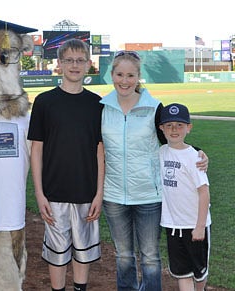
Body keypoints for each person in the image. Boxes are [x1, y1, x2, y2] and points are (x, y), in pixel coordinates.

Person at [100, 50, 208, 291]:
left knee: (149, 255)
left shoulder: (154, 107)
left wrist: (198, 152)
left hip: (149, 195)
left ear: (138, 76)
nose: (124, 80)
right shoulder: (102, 107)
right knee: (123, 255)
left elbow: (173, 139)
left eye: (130, 75)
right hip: (114, 195)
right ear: (112, 74)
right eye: (119, 74)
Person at [27, 38, 105, 291]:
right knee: (57, 252)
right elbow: (36, 149)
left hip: (86, 191)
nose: (74, 65)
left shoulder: (97, 104)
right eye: (69, 60)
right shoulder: (45, 102)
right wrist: (39, 193)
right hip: (54, 191)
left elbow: (99, 151)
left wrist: (98, 194)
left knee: (83, 250)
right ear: (59, 64)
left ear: (88, 65)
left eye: (80, 60)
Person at [159, 103, 211, 291]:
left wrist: (200, 226)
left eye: (180, 125)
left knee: (199, 272)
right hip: (173, 225)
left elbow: (204, 192)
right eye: (169, 125)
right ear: (161, 128)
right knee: (182, 272)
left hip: (194, 225)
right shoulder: (161, 153)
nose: (174, 129)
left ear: (189, 128)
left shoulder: (195, 157)